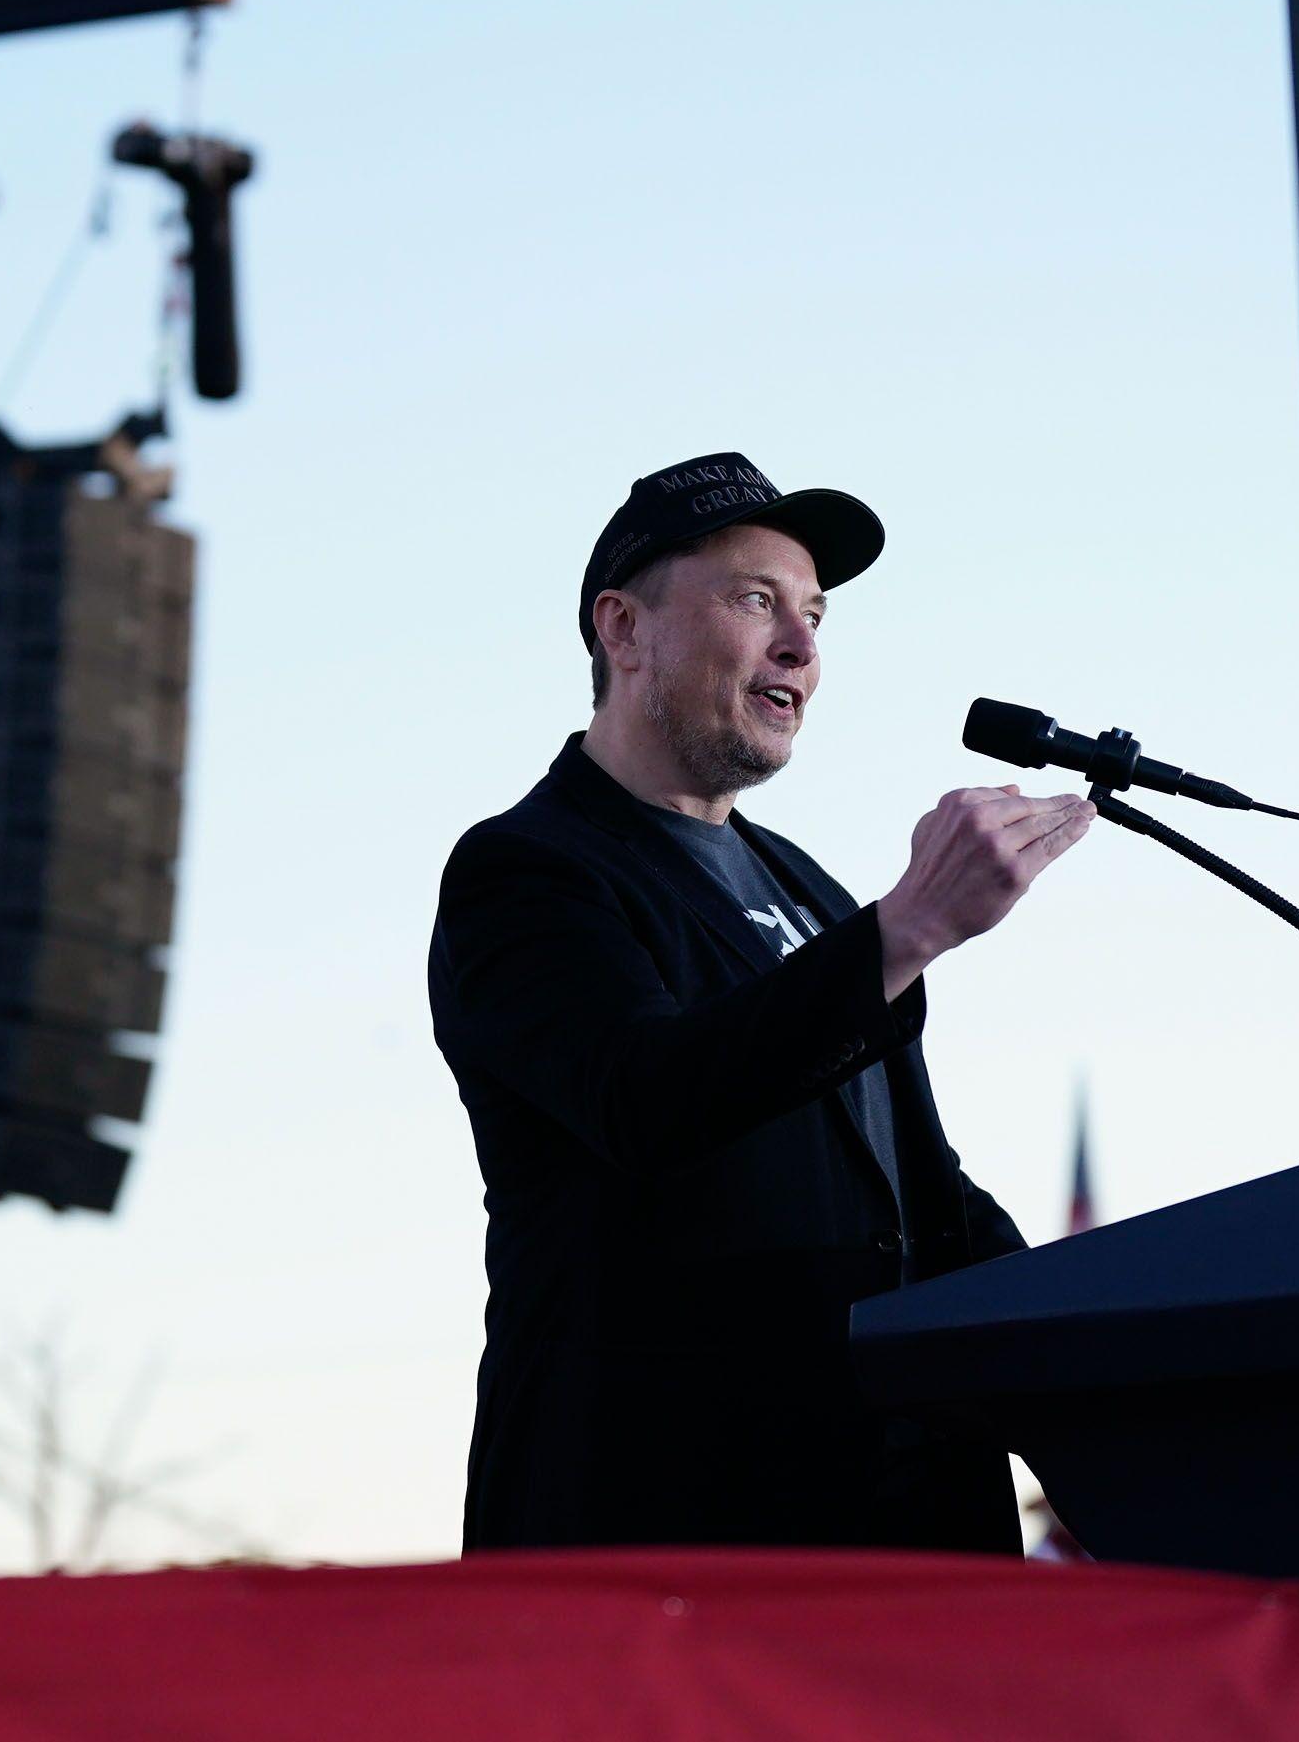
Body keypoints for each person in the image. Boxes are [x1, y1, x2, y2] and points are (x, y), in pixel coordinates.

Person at [429, 452, 1094, 1553]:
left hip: (895, 1534)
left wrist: (1106, 1372)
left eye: (815, 615)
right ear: (623, 629)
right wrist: (908, 929)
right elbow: (643, 1096)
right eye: (755, 601)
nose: (801, 647)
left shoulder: (813, 895)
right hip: (670, 1543)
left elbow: (920, 1198)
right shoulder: (528, 870)